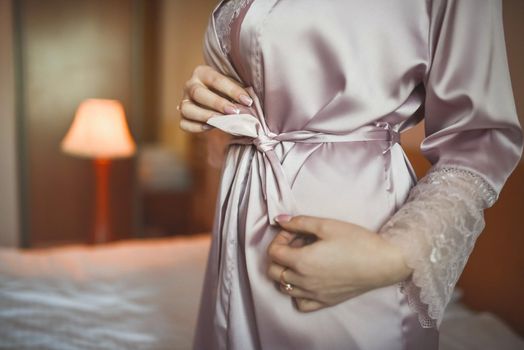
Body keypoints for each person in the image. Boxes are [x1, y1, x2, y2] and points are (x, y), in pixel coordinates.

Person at [178, 0, 523, 349]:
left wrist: (395, 255)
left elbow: (479, 141)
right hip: (237, 239)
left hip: (352, 251)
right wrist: (212, 96)